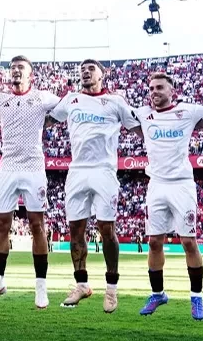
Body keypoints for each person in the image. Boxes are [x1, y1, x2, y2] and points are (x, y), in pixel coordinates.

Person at [0, 55, 62, 308]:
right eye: (13, 68)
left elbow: (67, 108)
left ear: (31, 74)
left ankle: (41, 287)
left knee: (37, 225)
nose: (16, 71)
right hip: (8, 166)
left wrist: (51, 120)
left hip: (33, 167)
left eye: (21, 67)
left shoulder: (43, 98)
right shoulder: (1, 99)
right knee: (2, 223)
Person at [48, 59, 137, 312]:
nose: (85, 72)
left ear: (102, 75)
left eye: (91, 69)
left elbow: (138, 127)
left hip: (104, 172)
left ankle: (111, 288)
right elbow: (46, 121)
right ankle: (82, 285)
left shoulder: (115, 102)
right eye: (82, 70)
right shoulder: (71, 99)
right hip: (77, 171)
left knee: (106, 230)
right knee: (75, 231)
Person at [124, 72, 203, 320]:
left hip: (182, 185)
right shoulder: (143, 114)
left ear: (173, 91)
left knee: (189, 242)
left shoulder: (188, 112)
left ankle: (196, 297)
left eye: (160, 87)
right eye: (151, 88)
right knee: (153, 242)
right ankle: (158, 293)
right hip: (156, 185)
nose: (154, 91)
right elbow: (123, 117)